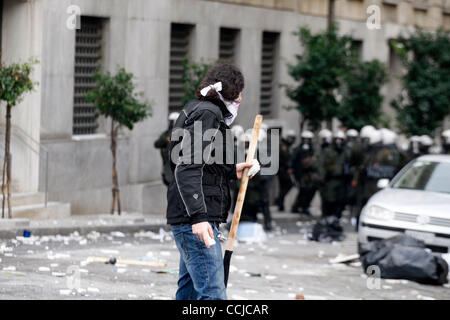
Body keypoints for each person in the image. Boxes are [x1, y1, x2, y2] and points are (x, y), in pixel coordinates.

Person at [166, 63, 259, 300]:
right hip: (196, 219)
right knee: (213, 295)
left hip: (193, 216)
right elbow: (186, 166)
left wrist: (231, 171)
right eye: (239, 94)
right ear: (231, 92)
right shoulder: (208, 113)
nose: (240, 100)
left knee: (189, 294)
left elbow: (200, 162)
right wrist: (198, 218)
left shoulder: (198, 109)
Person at [316, 130, 347, 219]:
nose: (338, 142)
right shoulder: (327, 151)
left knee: (340, 201)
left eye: (340, 139)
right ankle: (326, 219)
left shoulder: (344, 152)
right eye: (337, 139)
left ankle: (336, 219)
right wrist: (322, 177)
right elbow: (320, 165)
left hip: (341, 180)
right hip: (330, 180)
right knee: (329, 201)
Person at [289, 130, 317, 215]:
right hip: (300, 173)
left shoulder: (312, 150)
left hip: (310, 174)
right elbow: (292, 160)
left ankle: (304, 206)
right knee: (303, 190)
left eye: (308, 139)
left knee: (310, 190)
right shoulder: (298, 149)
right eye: (305, 139)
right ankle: (298, 207)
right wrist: (291, 169)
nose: (306, 141)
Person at [154, 112, 179, 186]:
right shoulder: (166, 133)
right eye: (170, 121)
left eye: (172, 121)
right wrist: (165, 140)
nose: (171, 123)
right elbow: (156, 144)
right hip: (167, 165)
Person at [275, 129, 296, 211]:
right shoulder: (283, 146)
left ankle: (280, 204)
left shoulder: (287, 146)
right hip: (282, 170)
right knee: (288, 184)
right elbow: (283, 158)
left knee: (284, 187)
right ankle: (279, 200)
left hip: (283, 169)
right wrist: (287, 167)